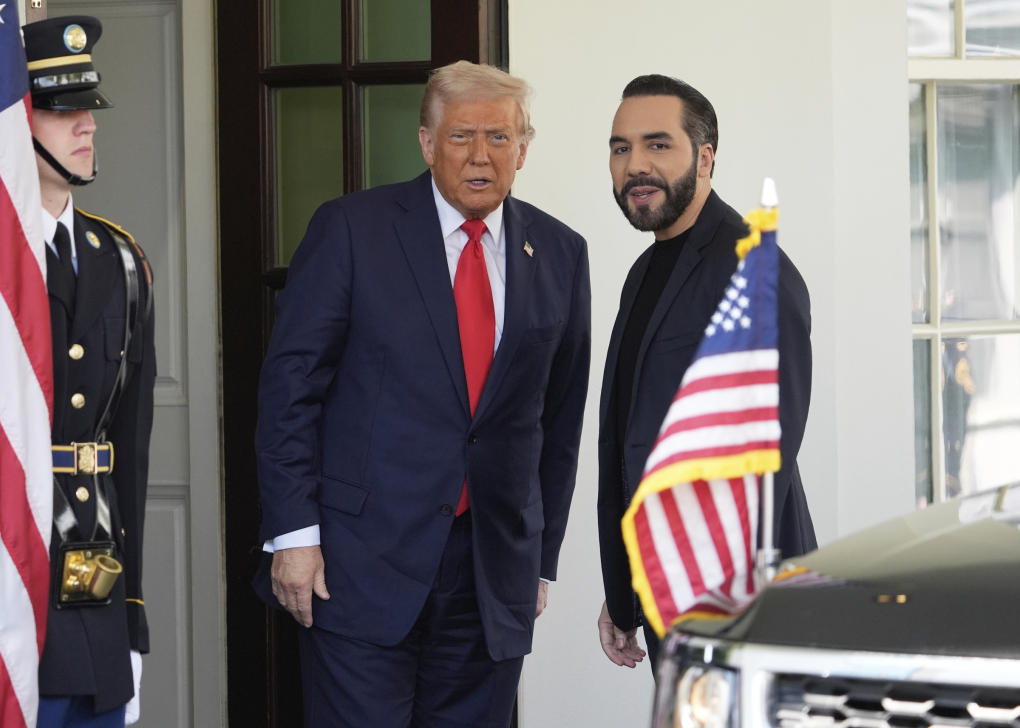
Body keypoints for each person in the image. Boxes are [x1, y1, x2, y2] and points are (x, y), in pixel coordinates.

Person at [254, 61, 591, 727]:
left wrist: (540, 562)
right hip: (356, 566)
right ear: (427, 142)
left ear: (523, 148)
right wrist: (293, 534)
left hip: (491, 575)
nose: (480, 155)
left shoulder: (559, 251)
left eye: (499, 137)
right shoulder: (352, 229)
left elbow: (559, 419)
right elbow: (290, 391)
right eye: (461, 136)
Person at [596, 75, 816, 670]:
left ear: (705, 157)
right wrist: (627, 590)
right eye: (621, 148)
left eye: (657, 144)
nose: (635, 165)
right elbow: (631, 438)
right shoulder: (644, 272)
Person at [24, 16, 156, 728]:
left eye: (89, 107)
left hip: (95, 590)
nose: (87, 125)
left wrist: (131, 619)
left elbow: (128, 450)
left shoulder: (123, 260)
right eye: (61, 110)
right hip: (13, 592)